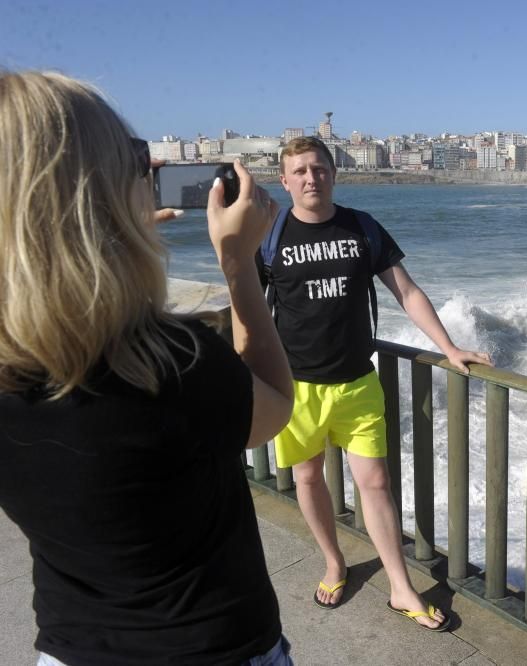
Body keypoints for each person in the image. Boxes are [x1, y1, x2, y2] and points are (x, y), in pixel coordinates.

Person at [0, 70, 295, 664]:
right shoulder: (173, 363)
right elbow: (274, 405)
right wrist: (238, 264)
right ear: (100, 192)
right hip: (214, 646)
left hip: (73, 647)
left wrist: (113, 245)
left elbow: (64, 315)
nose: (151, 173)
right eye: (140, 161)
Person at [260, 136, 492, 630]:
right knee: (306, 478)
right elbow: (252, 309)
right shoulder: (270, 235)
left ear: (332, 172)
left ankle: (400, 587)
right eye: (298, 171)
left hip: (358, 381)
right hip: (296, 386)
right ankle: (333, 561)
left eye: (317, 168)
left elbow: (405, 291)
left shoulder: (362, 227)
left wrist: (449, 348)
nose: (309, 177)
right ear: (284, 181)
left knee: (376, 483)